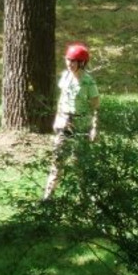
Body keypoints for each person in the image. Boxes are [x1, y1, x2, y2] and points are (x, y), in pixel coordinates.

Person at [42, 43, 100, 200]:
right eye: (68, 60)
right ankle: (48, 197)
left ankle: (85, 197)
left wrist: (94, 128)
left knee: (79, 163)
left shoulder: (89, 82)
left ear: (82, 63)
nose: (69, 64)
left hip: (81, 124)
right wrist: (57, 120)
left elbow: (96, 107)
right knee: (57, 159)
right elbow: (62, 99)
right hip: (64, 123)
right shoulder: (65, 77)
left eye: (73, 61)